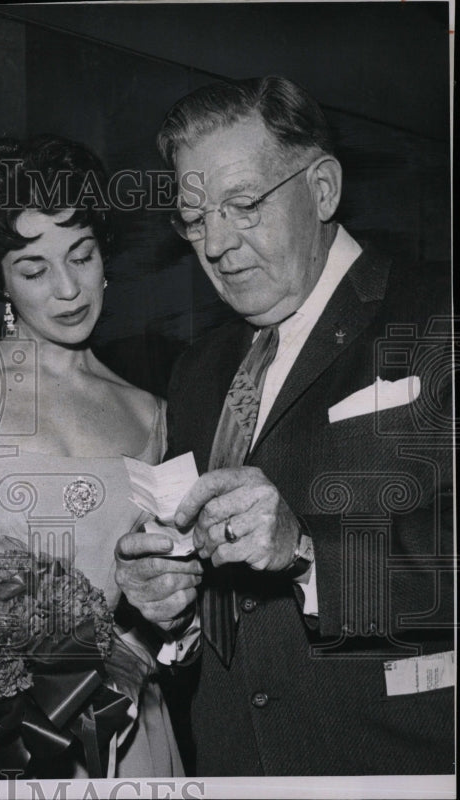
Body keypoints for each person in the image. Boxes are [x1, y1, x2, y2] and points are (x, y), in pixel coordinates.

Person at [115, 76, 454, 775]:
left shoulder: (439, 320)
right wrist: (171, 612)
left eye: (242, 206)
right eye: (195, 216)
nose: (215, 243)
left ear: (323, 188)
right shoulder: (198, 369)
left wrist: (307, 554)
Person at [0, 135, 184, 778]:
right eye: (34, 269)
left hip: (126, 733)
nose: (69, 288)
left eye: (82, 255)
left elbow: (164, 597)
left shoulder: (150, 413)